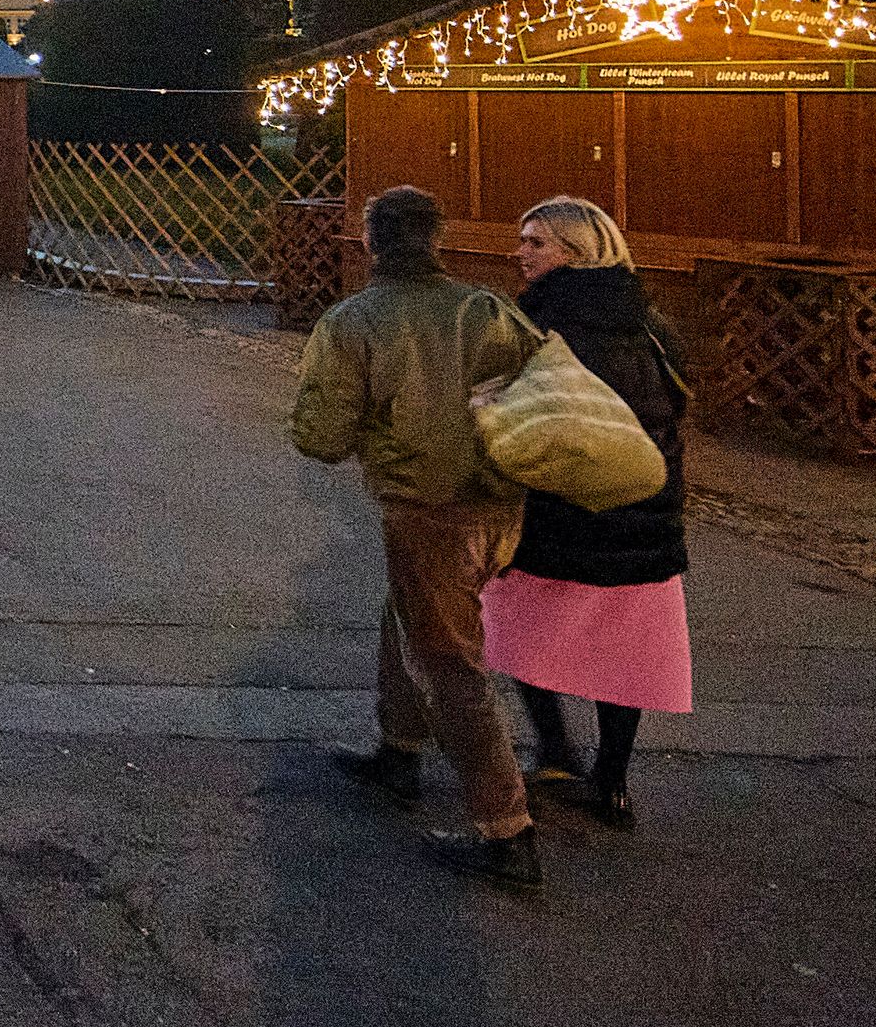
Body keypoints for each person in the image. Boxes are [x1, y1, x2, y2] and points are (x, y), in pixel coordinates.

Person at [292, 184, 548, 888]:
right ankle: (398, 747)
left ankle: (507, 828)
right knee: (408, 616)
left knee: (449, 661)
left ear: (372, 240)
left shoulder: (357, 322)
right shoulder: (489, 309)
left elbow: (321, 435)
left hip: (427, 509)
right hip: (502, 508)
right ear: (436, 238)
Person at [483, 197, 693, 832]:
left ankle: (554, 748)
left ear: (574, 252)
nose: (521, 254)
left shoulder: (534, 325)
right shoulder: (653, 325)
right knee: (624, 646)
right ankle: (613, 779)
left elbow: (505, 415)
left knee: (514, 623)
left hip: (554, 508)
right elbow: (677, 409)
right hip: (642, 509)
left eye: (536, 243)